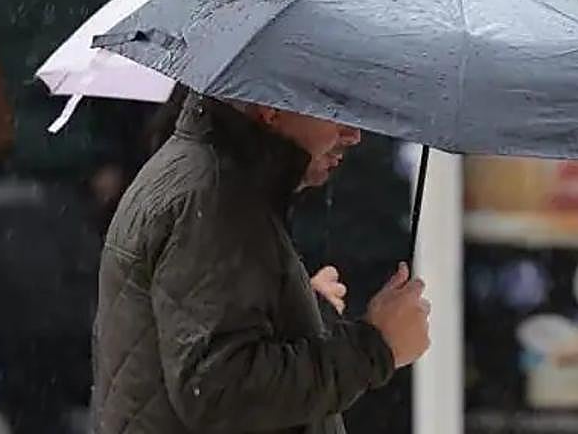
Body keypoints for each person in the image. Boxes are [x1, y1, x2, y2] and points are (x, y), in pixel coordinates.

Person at [90, 91, 431, 434]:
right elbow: (221, 389)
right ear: (271, 108)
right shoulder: (214, 197)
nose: (352, 134)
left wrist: (300, 310)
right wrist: (376, 347)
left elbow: (216, 337)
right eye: (336, 108)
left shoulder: (212, 181)